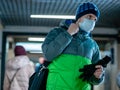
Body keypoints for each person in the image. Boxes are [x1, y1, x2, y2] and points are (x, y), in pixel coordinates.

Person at [42, 2, 104, 90]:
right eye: (89, 16)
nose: (92, 21)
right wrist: (68, 34)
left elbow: (94, 77)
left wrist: (98, 77)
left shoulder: (92, 44)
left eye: (95, 19)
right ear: (79, 17)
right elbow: (48, 54)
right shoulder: (57, 32)